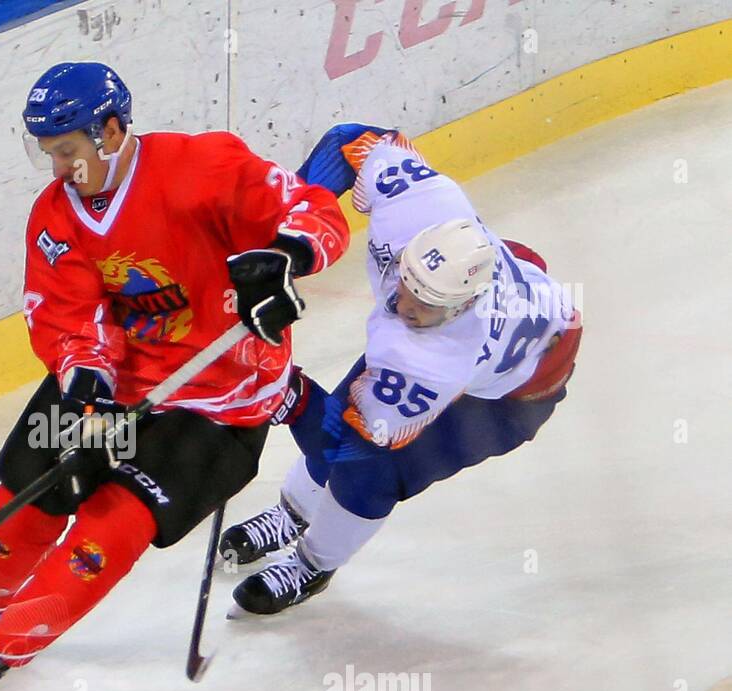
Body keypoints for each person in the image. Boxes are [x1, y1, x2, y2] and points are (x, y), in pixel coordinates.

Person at [0, 62, 350, 691]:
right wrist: (86, 383)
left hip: (220, 405)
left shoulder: (203, 166)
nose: (57, 169)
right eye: (47, 154)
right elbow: (67, 316)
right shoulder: (56, 216)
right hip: (124, 388)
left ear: (111, 130)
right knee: (27, 486)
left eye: (68, 151)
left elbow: (311, 209)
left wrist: (285, 258)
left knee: (115, 520)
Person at [219, 124, 582, 614]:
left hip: (511, 398)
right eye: (407, 281)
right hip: (525, 298)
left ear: (461, 306)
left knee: (371, 475)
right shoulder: (422, 206)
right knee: (347, 413)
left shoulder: (436, 357)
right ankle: (294, 512)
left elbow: (351, 447)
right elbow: (353, 142)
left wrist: (282, 391)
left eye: (425, 303)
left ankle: (312, 563)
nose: (403, 304)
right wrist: (283, 242)